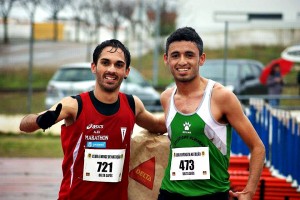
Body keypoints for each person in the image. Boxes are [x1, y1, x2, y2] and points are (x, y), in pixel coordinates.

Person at [19, 39, 166, 200]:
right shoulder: (74, 105)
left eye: (118, 65)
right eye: (105, 62)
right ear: (94, 67)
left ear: (127, 72)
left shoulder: (133, 105)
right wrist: (40, 120)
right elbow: (24, 125)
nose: (111, 69)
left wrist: (189, 109)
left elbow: (158, 125)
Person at [158, 27, 266, 200]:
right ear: (166, 59)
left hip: (212, 194)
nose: (182, 61)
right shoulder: (167, 97)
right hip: (170, 193)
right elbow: (163, 124)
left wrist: (249, 192)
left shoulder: (221, 97)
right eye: (175, 55)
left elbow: (257, 147)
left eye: (189, 55)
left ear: (201, 59)